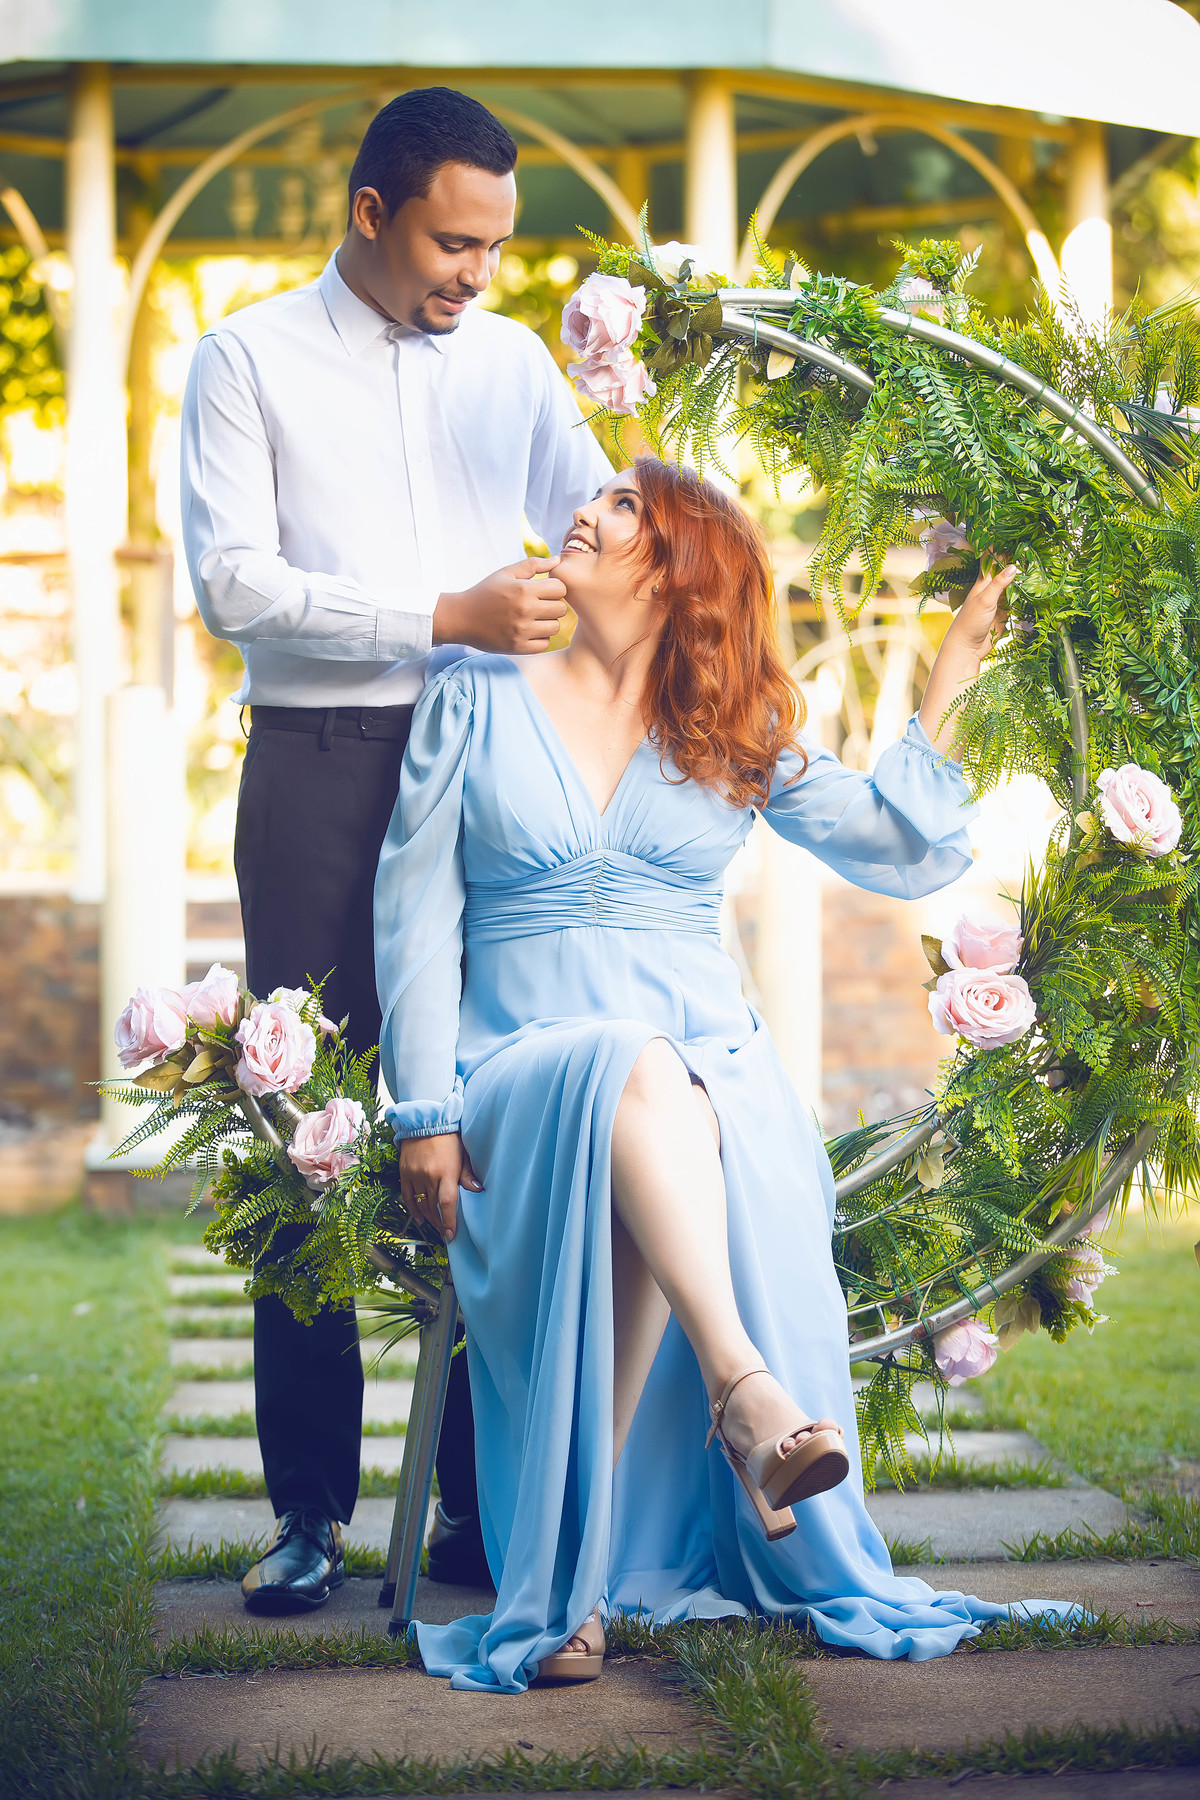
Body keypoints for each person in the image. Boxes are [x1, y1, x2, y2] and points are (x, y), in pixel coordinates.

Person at [375, 458, 1075, 1692]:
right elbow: (416, 912)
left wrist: (956, 662)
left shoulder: (729, 730)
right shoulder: (473, 694)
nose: (583, 514)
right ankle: (745, 1391)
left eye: (623, 507)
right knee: (629, 1068)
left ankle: (574, 1587)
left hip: (712, 1079)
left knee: (658, 1086)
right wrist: (426, 1111)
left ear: (678, 572)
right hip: (519, 1071)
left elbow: (902, 847)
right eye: (593, 498)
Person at [180, 86, 612, 1614]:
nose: (478, 275)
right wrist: (443, 613)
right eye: (451, 243)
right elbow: (233, 584)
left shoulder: (512, 361)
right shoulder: (243, 358)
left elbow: (608, 523)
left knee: (482, 1109)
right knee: (308, 1132)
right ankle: (306, 1511)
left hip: (494, 769)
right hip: (319, 771)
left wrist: (649, 472)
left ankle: (475, 1512)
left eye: (496, 247)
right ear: (371, 212)